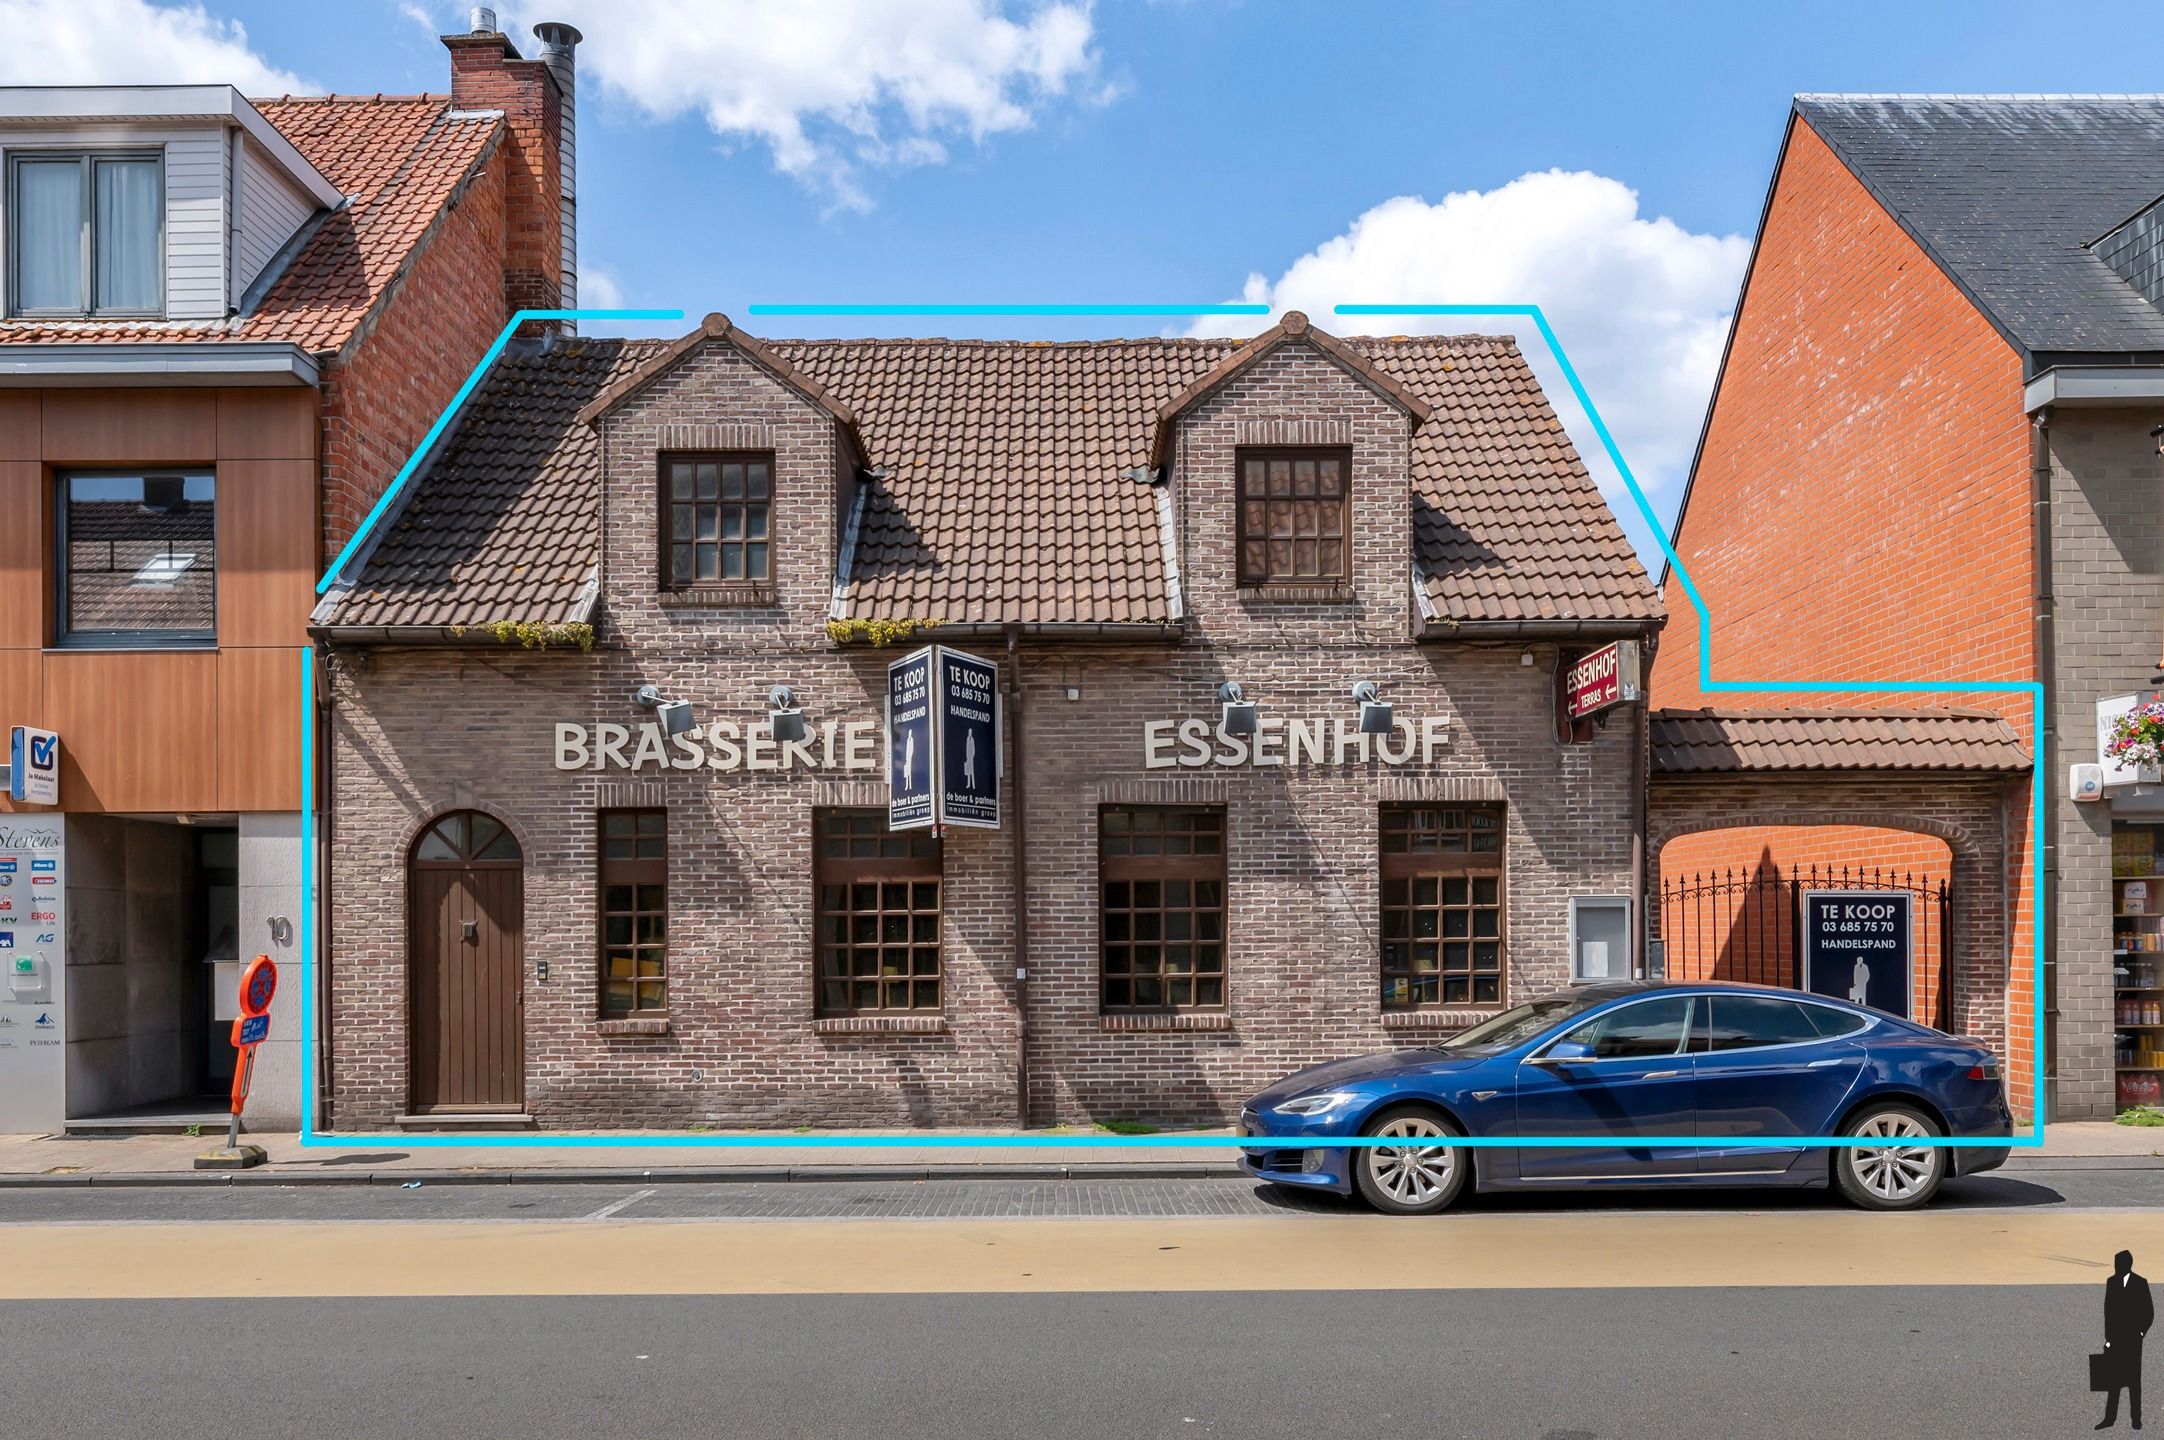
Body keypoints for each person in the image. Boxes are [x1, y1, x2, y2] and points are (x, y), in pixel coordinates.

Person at [2102, 1249, 2153, 1430]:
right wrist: (2108, 1338)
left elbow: (2149, 1312)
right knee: (2113, 1381)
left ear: (2127, 1265)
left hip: (2132, 1341)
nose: (2116, 1267)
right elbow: (2108, 1312)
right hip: (2116, 1340)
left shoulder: (2140, 1283)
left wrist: (2140, 1333)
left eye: (2118, 1264)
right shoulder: (2111, 1282)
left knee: (2133, 1382)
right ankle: (2110, 1418)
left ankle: (2136, 1418)